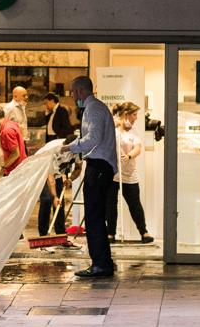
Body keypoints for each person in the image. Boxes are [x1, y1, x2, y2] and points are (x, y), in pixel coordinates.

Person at [61, 76, 117, 277]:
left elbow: (94, 138)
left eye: (73, 92)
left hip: (99, 166)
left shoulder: (93, 109)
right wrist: (74, 143)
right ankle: (103, 261)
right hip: (100, 165)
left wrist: (70, 147)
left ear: (81, 91)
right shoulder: (95, 108)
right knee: (95, 215)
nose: (72, 96)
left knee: (93, 216)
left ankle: (100, 264)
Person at [106, 102, 154, 244]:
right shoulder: (113, 131)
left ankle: (144, 232)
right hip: (113, 173)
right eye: (134, 115)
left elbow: (138, 148)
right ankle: (110, 233)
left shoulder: (134, 133)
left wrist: (129, 155)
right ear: (125, 115)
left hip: (129, 173)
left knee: (134, 203)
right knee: (111, 204)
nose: (136, 118)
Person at [37, 93, 75, 240]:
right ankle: (43, 234)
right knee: (47, 199)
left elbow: (76, 167)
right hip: (44, 169)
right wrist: (53, 195)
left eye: (47, 103)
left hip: (56, 167)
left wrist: (69, 178)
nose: (46, 105)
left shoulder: (62, 111)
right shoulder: (53, 151)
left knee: (60, 201)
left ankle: (60, 232)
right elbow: (50, 176)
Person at [0, 109, 27, 177]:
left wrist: (3, 168)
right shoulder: (10, 123)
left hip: (15, 171)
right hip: (18, 168)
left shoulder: (7, 131)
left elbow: (16, 154)